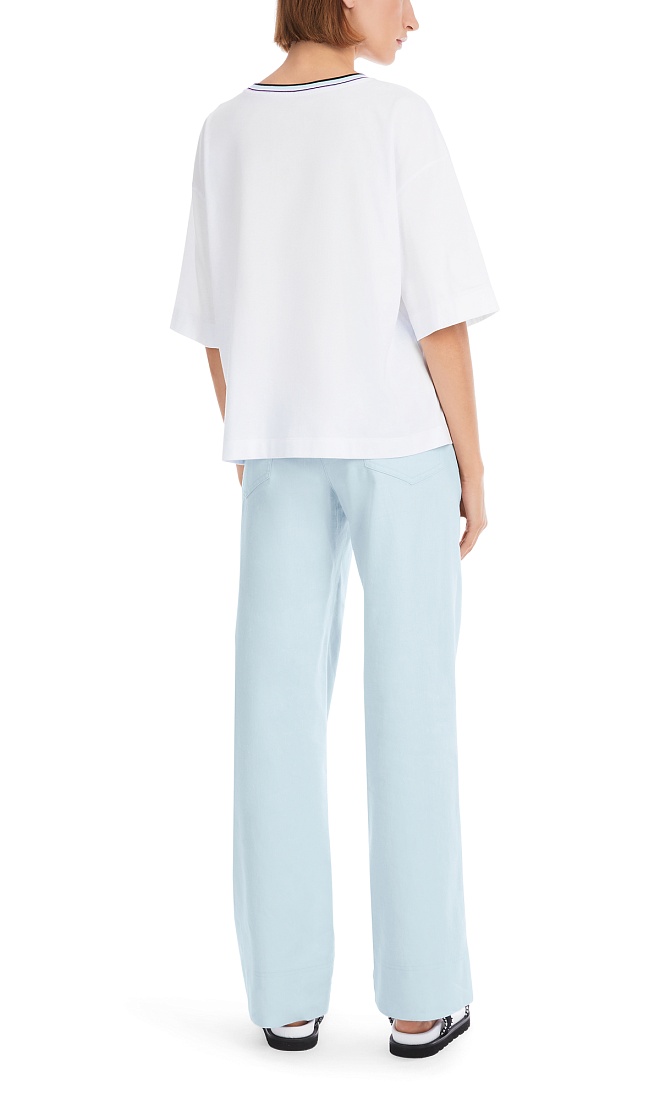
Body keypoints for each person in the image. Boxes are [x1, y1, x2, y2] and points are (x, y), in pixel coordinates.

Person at [169, 0, 499, 1059]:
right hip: (400, 445)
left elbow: (213, 325)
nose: (415, 17)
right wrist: (474, 465)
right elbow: (439, 314)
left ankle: (284, 997)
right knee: (412, 710)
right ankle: (420, 997)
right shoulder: (396, 119)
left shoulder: (224, 130)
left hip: (277, 455)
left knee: (272, 715)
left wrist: (255, 430)